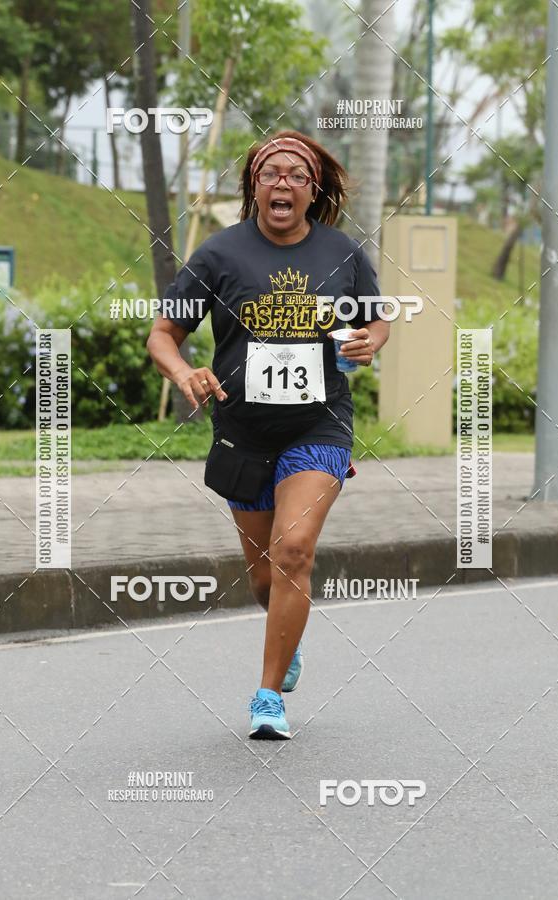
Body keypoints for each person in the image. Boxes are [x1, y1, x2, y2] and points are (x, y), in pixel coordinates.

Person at [147, 130, 390, 740]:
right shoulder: (219, 255)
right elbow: (162, 336)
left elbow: (377, 321)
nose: (282, 183)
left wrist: (370, 341)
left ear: (313, 191)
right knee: (264, 577)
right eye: (270, 174)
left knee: (293, 550)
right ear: (254, 187)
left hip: (319, 425)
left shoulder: (343, 253)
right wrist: (184, 372)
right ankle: (291, 640)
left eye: (295, 175)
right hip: (243, 432)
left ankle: (266, 697)